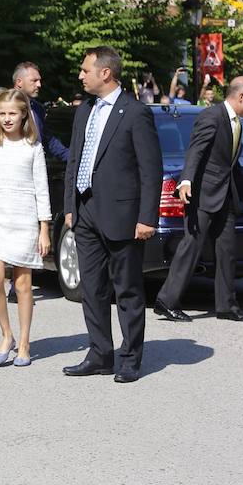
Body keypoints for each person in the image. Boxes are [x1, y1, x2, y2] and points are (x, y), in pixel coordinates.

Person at [62, 45, 162, 384]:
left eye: (85, 69)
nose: (80, 75)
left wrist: (148, 217)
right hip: (86, 210)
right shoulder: (83, 111)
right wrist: (70, 208)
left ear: (105, 72)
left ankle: (130, 357)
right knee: (92, 288)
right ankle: (100, 354)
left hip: (122, 215)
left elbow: (151, 169)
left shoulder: (135, 113)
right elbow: (74, 160)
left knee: (128, 289)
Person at [0, 62, 69, 304]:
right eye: (35, 80)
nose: (40, 84)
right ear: (19, 82)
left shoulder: (39, 110)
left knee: (23, 237)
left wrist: (72, 156)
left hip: (27, 181)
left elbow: (49, 140)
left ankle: (15, 289)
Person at [154, 76, 243, 323]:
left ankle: (226, 306)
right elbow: (196, 150)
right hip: (202, 195)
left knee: (227, 251)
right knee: (191, 248)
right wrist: (186, 180)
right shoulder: (212, 116)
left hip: (226, 197)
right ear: (241, 96)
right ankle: (166, 301)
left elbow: (230, 166)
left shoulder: (238, 124)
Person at [0, 89, 51, 367]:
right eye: (2, 113)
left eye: (12, 113)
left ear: (23, 114)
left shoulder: (33, 147)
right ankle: (7, 334)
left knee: (23, 283)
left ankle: (25, 342)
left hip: (24, 219)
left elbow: (42, 189)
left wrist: (44, 228)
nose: (6, 119)